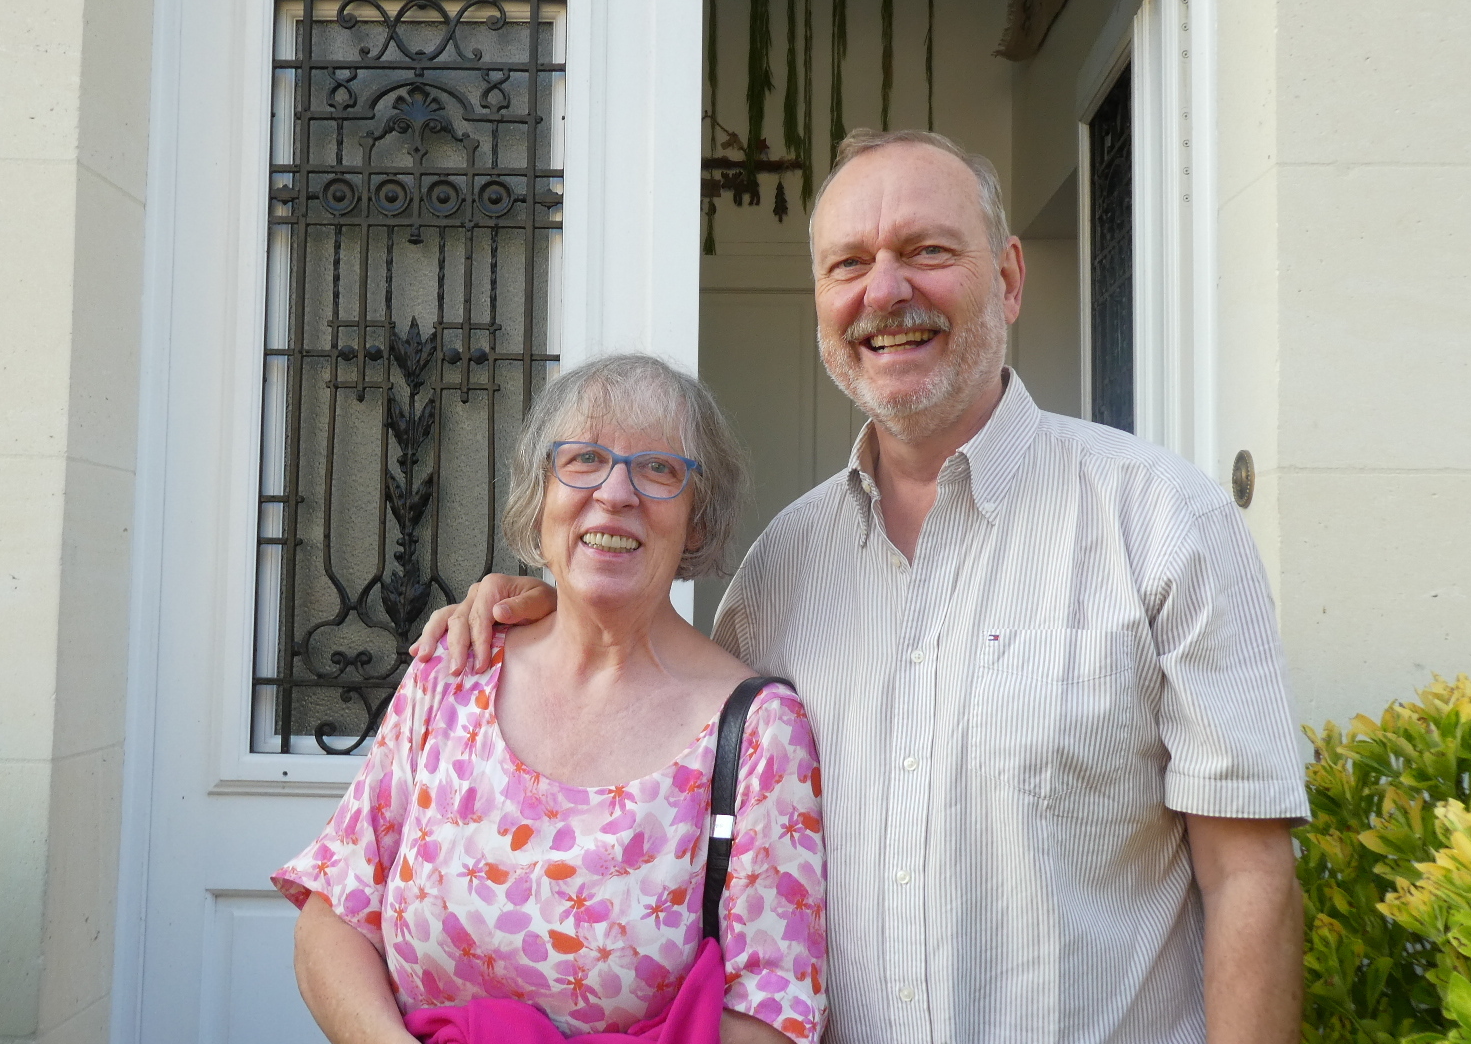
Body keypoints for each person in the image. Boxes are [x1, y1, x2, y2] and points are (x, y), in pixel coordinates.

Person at [414, 130, 1309, 1044]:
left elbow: (1248, 878)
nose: (884, 292)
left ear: (1007, 279)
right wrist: (555, 612)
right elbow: (662, 731)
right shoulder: (778, 575)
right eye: (849, 263)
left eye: (926, 250)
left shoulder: (1165, 526)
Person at [275, 354, 828, 1044]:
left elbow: (773, 1012)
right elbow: (336, 909)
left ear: (697, 517)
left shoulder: (757, 734)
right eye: (585, 459)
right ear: (541, 498)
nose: (616, 493)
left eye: (658, 468)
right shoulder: (455, 670)